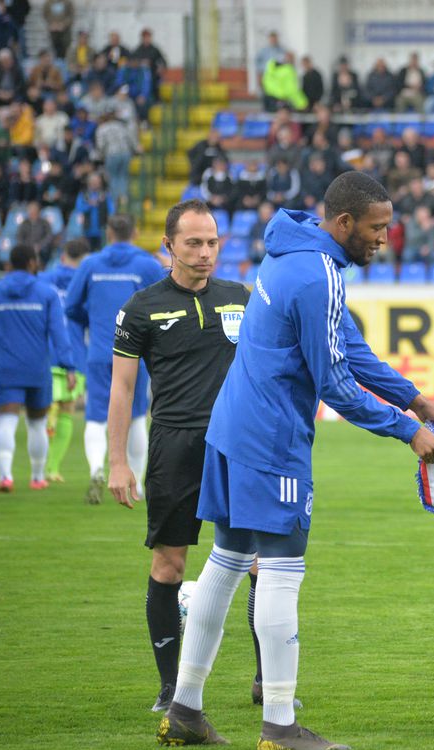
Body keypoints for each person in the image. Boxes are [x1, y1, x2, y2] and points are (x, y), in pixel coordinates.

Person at [157, 171, 434, 750]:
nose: (383, 239)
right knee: (281, 570)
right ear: (343, 224)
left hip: (231, 429)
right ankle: (279, 722)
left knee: (226, 561)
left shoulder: (293, 252)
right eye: (375, 229)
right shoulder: (318, 275)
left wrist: (417, 400)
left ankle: (185, 710)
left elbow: (351, 348)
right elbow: (336, 383)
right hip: (271, 443)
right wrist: (410, 432)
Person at [103, 200, 253, 713]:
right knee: (169, 565)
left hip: (238, 447)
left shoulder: (242, 297)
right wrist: (117, 461)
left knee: (260, 562)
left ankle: (265, 675)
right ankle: (170, 688)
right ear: (168, 245)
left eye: (212, 242)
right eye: (193, 242)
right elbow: (122, 391)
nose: (205, 252)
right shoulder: (141, 308)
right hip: (175, 445)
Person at [65, 213, 167, 503]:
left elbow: (71, 307)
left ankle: (97, 469)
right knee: (136, 416)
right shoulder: (147, 265)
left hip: (100, 350)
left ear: (108, 233)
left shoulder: (90, 264)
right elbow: (163, 301)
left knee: (96, 416)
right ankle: (137, 480)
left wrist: (95, 320)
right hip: (135, 353)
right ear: (134, 232)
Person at [0, 244, 76, 491]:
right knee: (37, 424)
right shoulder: (46, 294)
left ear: (9, 264)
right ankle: (37, 477)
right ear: (32, 263)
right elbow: (58, 333)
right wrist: (68, 366)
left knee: (6, 422)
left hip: (6, 368)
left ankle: (5, 476)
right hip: (37, 370)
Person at [38, 238, 90, 482]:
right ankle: (53, 468)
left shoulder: (44, 279)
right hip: (75, 355)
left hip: (45, 353)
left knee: (47, 409)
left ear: (62, 256)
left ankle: (39, 467)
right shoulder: (86, 283)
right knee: (68, 411)